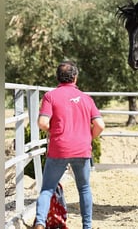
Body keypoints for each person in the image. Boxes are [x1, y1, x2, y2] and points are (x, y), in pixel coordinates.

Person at [34, 61, 105, 229]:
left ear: (58, 77)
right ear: (75, 77)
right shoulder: (86, 98)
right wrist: (88, 138)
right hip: (82, 148)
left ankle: (39, 223)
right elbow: (100, 125)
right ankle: (87, 226)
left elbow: (42, 122)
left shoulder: (50, 96)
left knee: (47, 189)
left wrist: (53, 132)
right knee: (84, 188)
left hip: (59, 148)